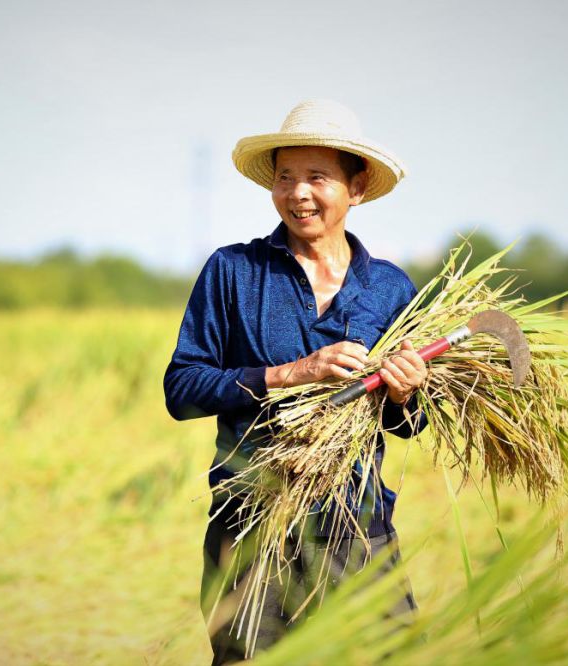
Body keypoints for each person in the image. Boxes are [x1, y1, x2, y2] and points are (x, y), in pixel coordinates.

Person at [163, 99, 429, 664]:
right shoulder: (233, 271)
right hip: (253, 521)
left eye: (317, 177)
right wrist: (289, 374)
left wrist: (405, 391)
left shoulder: (389, 288)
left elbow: (409, 423)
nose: (298, 193)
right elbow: (182, 389)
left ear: (355, 188)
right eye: (286, 178)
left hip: (357, 527)